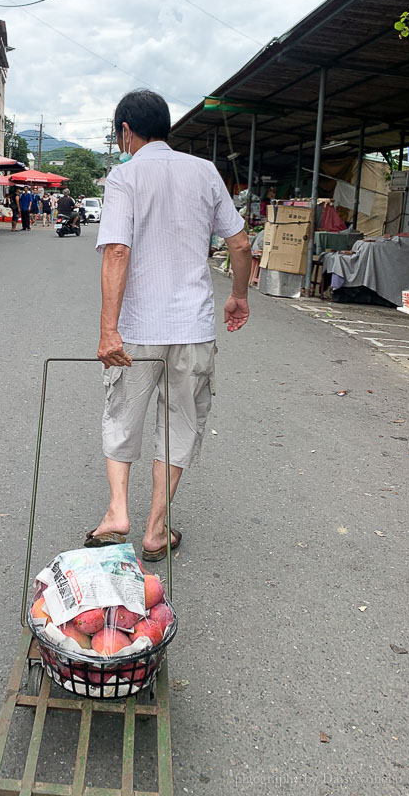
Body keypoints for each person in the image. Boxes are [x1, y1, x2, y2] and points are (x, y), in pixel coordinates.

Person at [89, 89, 251, 563]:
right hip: (193, 326)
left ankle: (118, 512)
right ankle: (156, 528)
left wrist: (107, 329)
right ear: (167, 127)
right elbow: (240, 245)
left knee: (123, 413)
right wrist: (238, 296)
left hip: (138, 328)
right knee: (181, 421)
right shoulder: (204, 172)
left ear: (125, 131)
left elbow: (117, 250)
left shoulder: (124, 177)